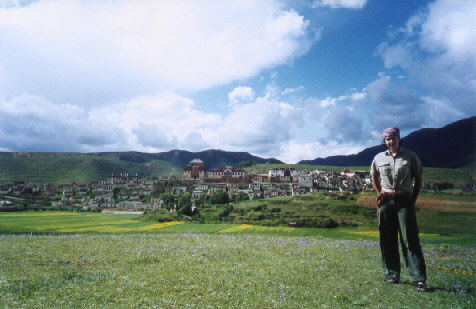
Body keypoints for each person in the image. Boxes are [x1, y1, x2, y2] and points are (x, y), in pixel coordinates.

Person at [370, 127, 430, 292]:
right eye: (388, 139)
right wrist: (380, 192)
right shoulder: (378, 158)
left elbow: (418, 179)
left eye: (393, 138)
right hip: (386, 202)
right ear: (384, 141)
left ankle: (419, 278)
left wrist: (413, 199)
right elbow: (373, 176)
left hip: (405, 201)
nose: (391, 141)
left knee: (410, 238)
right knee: (387, 238)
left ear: (399, 139)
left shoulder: (410, 157)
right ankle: (392, 273)